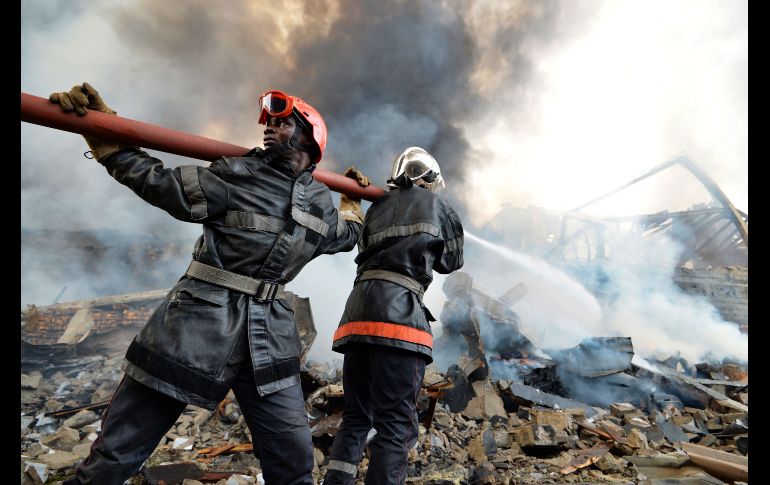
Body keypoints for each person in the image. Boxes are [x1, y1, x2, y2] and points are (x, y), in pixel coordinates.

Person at [48, 83, 370, 485]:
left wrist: (351, 206)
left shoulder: (321, 201)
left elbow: (342, 235)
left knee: (293, 463)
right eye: (266, 122)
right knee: (116, 456)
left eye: (280, 121)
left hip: (268, 341)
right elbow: (158, 182)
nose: (267, 127)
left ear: (309, 134)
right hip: (192, 331)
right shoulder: (234, 174)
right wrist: (105, 134)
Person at [323, 147, 464, 484]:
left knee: (356, 418)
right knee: (396, 426)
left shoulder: (375, 207)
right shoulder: (438, 205)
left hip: (357, 318)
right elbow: (451, 262)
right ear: (429, 178)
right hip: (399, 323)